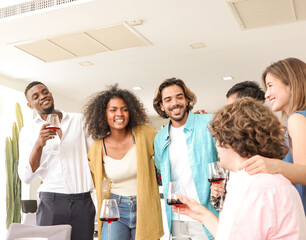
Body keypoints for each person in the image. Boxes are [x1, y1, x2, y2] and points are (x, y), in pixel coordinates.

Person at [172, 97, 306, 240]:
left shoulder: (249, 188)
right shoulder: (277, 181)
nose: (216, 145)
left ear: (228, 141)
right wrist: (201, 214)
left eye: (216, 138)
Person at [83, 85, 163, 240]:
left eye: (124, 109)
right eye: (113, 110)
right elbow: (90, 178)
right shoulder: (98, 147)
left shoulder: (143, 134)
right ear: (103, 114)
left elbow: (167, 142)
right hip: (115, 208)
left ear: (131, 112)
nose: (119, 114)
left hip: (144, 207)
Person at [18, 81, 95, 240]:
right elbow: (26, 177)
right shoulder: (28, 132)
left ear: (50, 94)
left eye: (45, 92)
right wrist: (39, 144)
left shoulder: (79, 120)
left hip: (83, 202)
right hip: (51, 203)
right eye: (36, 96)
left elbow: (95, 154)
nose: (42, 96)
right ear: (30, 105)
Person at [153, 77, 218, 240]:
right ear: (162, 105)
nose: (175, 103)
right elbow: (161, 169)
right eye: (168, 99)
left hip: (207, 214)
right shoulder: (160, 138)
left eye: (179, 97)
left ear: (187, 99)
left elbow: (228, 160)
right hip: (177, 218)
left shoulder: (209, 123)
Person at [239, 58, 306, 214]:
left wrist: (273, 165)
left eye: (270, 86)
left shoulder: (297, 119)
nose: (267, 94)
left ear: (291, 83)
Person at [210, 80, 266, 206]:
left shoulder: (266, 155)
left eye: (231, 108)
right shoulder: (228, 147)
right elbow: (219, 204)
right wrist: (216, 193)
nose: (226, 113)